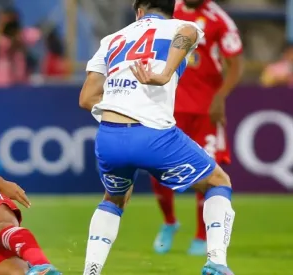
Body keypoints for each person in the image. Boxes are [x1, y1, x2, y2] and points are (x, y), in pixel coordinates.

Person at [79, 0, 235, 274]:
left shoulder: (112, 39)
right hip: (152, 135)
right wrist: (164, 74)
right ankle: (217, 264)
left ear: (138, 10)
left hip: (109, 137)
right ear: (171, 8)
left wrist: (120, 103)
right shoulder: (180, 25)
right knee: (218, 182)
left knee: (113, 200)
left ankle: (90, 271)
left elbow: (86, 98)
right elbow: (187, 33)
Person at [150, 0, 243, 256]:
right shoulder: (170, 10)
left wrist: (220, 96)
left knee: (207, 171)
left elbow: (236, 64)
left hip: (205, 111)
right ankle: (169, 222)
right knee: (157, 170)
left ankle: (202, 235)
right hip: (169, 105)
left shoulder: (219, 20)